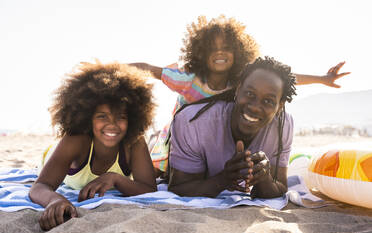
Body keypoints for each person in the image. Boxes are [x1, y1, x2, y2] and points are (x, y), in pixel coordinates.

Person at [130, 15, 350, 176]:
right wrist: (107, 68)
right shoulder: (188, 78)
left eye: (226, 47)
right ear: (200, 52)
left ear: (237, 51)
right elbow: (148, 68)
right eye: (211, 48)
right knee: (167, 174)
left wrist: (322, 79)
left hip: (215, 140)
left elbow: (284, 78)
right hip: (184, 137)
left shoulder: (241, 80)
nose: (219, 53)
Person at [29, 62, 157, 231]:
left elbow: (149, 189)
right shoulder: (76, 140)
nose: (112, 125)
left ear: (132, 119)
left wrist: (115, 178)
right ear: (88, 117)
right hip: (51, 156)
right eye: (102, 116)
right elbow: (40, 186)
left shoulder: (134, 142)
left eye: (121, 117)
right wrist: (56, 200)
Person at [167, 57, 296, 198]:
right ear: (238, 90)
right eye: (249, 94)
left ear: (280, 106)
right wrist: (223, 180)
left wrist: (264, 179)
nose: (254, 107)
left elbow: (281, 187)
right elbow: (178, 187)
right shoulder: (193, 122)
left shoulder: (282, 126)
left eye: (268, 101)